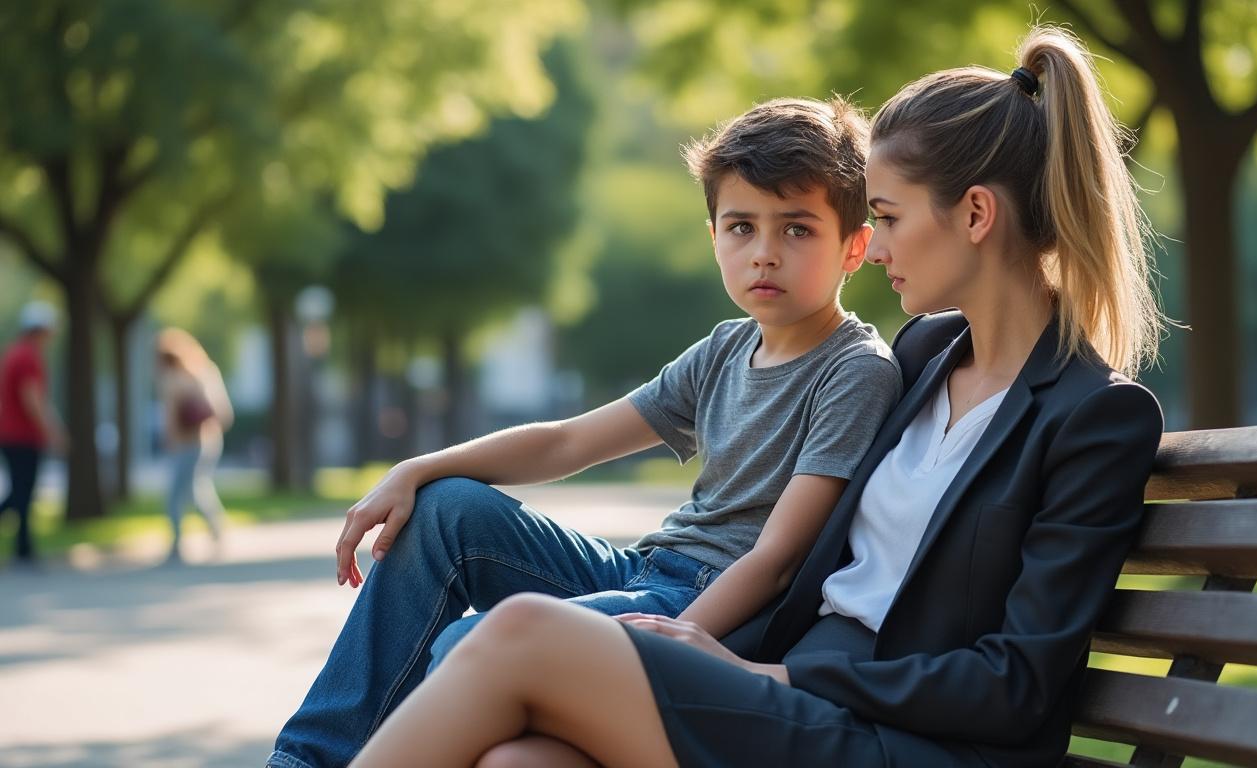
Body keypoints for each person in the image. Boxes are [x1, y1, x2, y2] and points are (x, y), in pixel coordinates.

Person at [350, 26, 1167, 768]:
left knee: (521, 631)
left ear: (977, 213)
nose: (877, 248)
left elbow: (1015, 684)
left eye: (886, 217)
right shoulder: (926, 355)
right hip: (799, 692)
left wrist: (771, 674)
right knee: (522, 762)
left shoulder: (1094, 416)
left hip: (901, 738)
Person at [268, 97, 903, 768]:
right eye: (741, 227)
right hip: (644, 570)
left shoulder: (855, 370)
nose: (764, 254)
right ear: (713, 235)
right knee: (444, 509)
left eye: (798, 229)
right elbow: (566, 442)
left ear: (854, 246)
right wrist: (416, 468)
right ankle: (305, 761)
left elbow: (778, 559)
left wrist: (679, 639)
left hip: (709, 607)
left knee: (468, 649)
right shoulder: (725, 348)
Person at [155, 327, 233, 563]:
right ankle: (216, 530)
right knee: (197, 488)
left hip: (186, 443)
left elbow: (170, 418)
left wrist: (168, 440)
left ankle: (177, 543)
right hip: (208, 440)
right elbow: (223, 413)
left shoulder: (173, 379)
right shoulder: (204, 371)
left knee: (177, 494)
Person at [0, 301, 65, 566]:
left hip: (11, 434)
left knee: (21, 492)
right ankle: (24, 548)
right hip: (22, 437)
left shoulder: (14, 353)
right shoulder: (28, 357)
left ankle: (23, 547)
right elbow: (33, 400)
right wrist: (53, 431)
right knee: (22, 493)